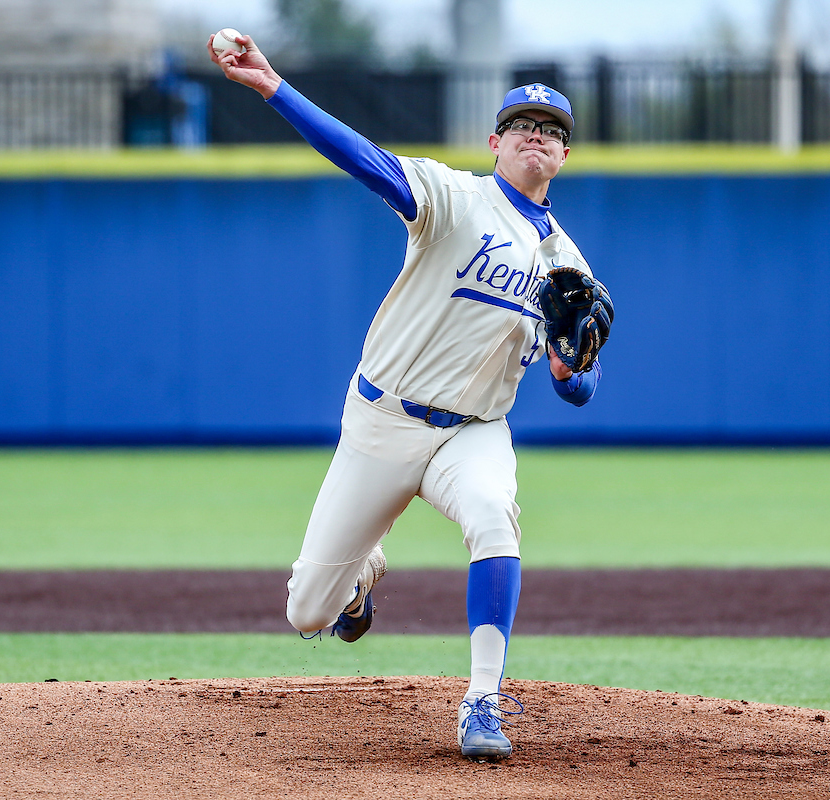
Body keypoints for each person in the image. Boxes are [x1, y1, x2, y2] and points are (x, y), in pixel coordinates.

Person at [210, 32, 609, 760]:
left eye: (552, 131)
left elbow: (579, 383)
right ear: (495, 142)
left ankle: (482, 703)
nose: (537, 137)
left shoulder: (569, 264)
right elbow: (362, 159)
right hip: (383, 421)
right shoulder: (454, 197)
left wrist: (565, 369)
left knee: (494, 518)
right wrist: (272, 87)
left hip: (473, 432)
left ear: (565, 154)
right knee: (307, 613)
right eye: (523, 125)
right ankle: (359, 579)